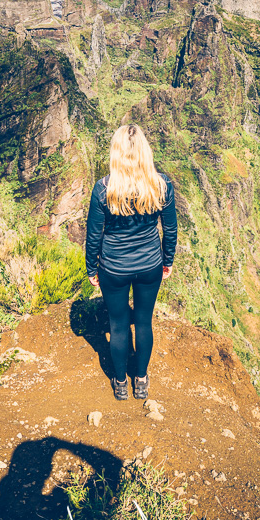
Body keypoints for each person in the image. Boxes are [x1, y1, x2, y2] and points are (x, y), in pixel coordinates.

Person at [85, 123, 177, 401]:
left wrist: (91, 268)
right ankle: (141, 380)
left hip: (113, 268)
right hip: (150, 265)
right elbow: (170, 229)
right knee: (144, 322)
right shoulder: (161, 185)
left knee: (118, 326)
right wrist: (167, 260)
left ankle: (121, 382)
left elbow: (93, 234)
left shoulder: (104, 189)